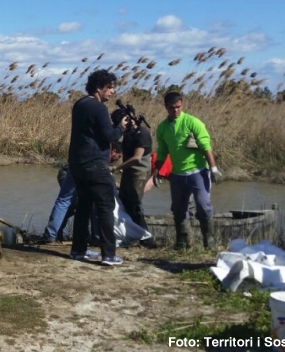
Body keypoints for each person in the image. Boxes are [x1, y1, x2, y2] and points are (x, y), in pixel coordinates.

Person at [67, 69, 127, 266]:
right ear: (99, 88)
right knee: (105, 207)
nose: (112, 92)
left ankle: (79, 250)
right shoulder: (99, 108)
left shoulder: (80, 104)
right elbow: (110, 136)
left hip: (77, 163)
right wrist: (121, 127)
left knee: (84, 206)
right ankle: (109, 254)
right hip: (95, 163)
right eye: (110, 88)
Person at [154, 91, 222, 250]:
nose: (176, 110)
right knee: (178, 209)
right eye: (172, 108)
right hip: (177, 175)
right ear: (166, 107)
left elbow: (206, 146)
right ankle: (183, 243)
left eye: (178, 107)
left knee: (203, 206)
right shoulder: (162, 128)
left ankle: (209, 242)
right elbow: (162, 151)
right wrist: (157, 172)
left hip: (198, 172)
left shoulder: (193, 122)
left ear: (182, 105)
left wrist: (214, 169)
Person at [111, 108, 158, 248]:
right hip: (128, 172)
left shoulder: (142, 133)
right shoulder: (128, 133)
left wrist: (115, 168)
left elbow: (137, 158)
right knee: (125, 203)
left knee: (135, 205)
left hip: (139, 172)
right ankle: (132, 235)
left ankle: (146, 238)